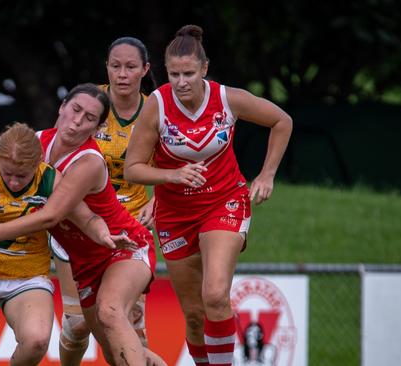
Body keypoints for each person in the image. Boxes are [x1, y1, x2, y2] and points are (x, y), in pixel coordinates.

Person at [0, 37, 165, 366]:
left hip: (123, 244)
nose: (78, 121)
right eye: (75, 110)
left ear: (97, 127)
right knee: (102, 341)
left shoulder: (89, 162)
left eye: (89, 118)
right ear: (61, 108)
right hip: (84, 258)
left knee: (111, 314)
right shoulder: (37, 143)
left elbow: (50, 217)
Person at [124, 25, 293, 366]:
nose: (182, 81)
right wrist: (171, 175)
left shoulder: (227, 99)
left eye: (188, 73)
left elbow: (281, 121)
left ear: (204, 69)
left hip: (224, 201)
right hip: (174, 214)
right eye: (174, 74)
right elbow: (133, 168)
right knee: (196, 316)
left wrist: (267, 174)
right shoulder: (156, 106)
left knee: (215, 294)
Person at [0, 122, 136, 366]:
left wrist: (104, 235)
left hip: (27, 274)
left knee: (36, 341)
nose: (14, 182)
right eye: (8, 174)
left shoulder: (50, 179)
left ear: (37, 163)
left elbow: (87, 217)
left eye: (21, 176)